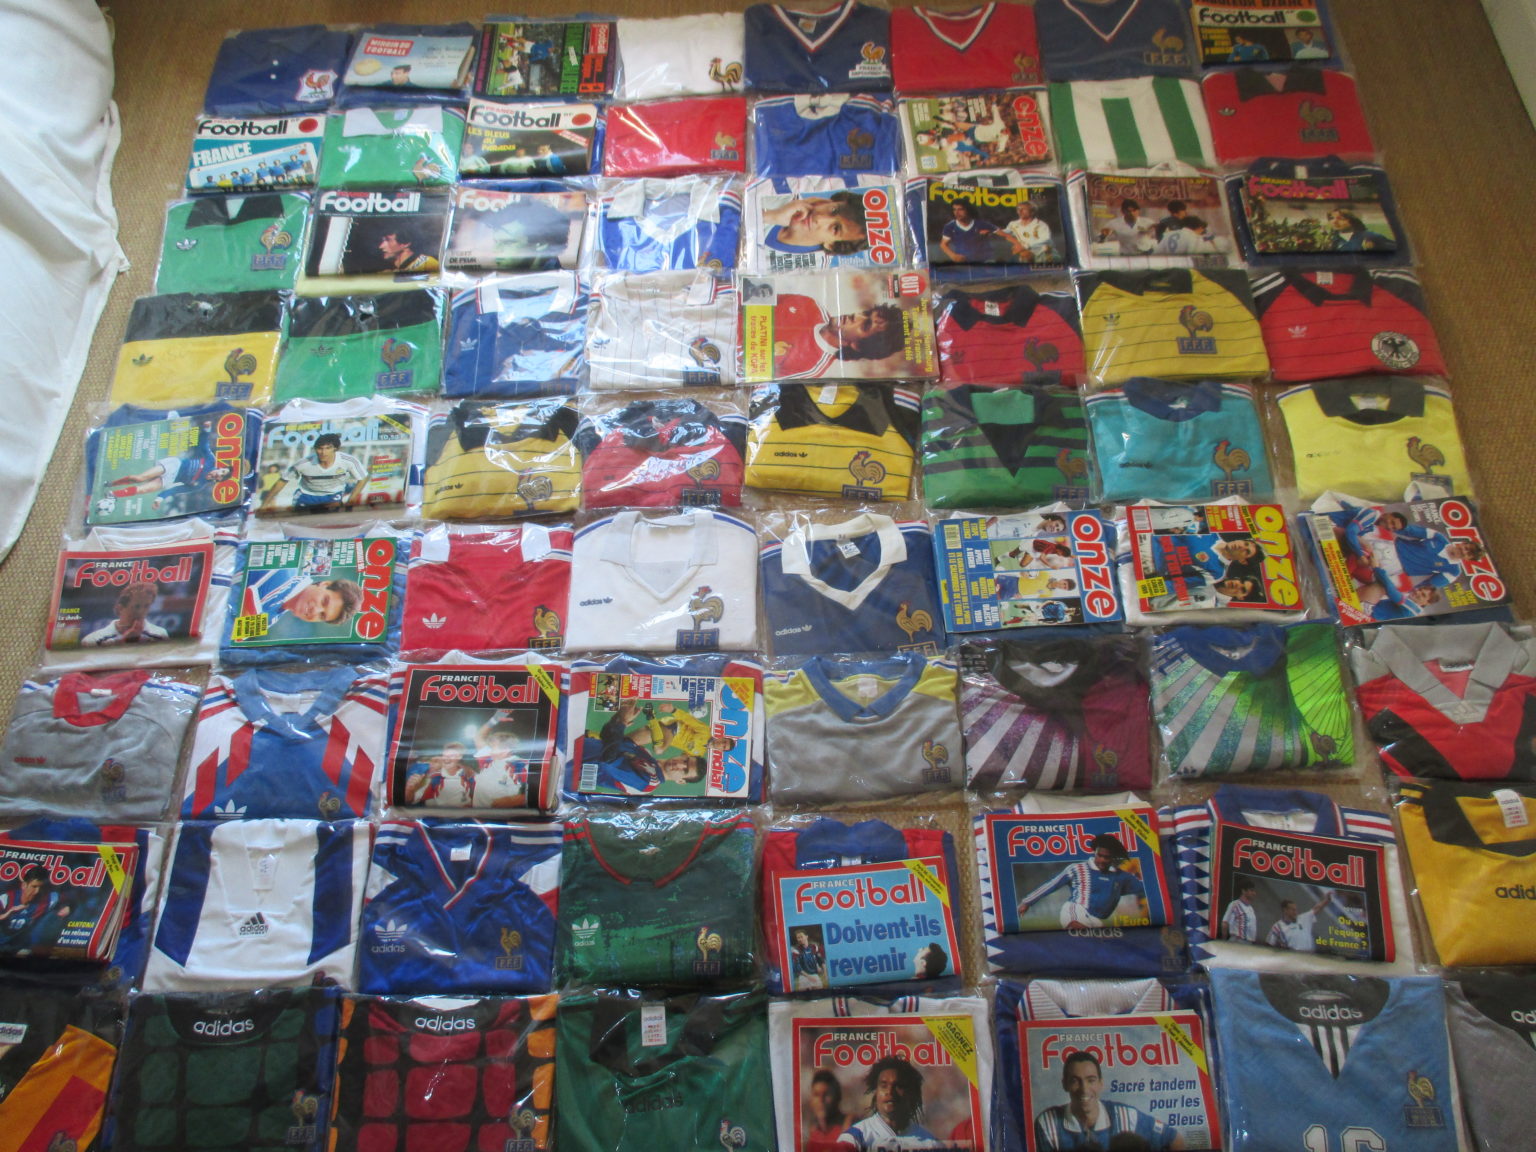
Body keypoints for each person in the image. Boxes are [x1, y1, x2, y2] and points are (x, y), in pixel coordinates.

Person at [1033, 1051, 1183, 1151]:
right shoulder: (1048, 1123)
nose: (1084, 1089)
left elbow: (1175, 1139)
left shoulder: (1126, 1116)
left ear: (1101, 1083)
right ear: (1065, 1084)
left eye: (1091, 1080)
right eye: (1075, 1081)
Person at [1016, 833, 1146, 929]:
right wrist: (1027, 902)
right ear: (1095, 853)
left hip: (1097, 921)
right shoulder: (1077, 869)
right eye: (1099, 855)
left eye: (1106, 857)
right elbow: (1052, 885)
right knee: (1078, 929)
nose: (1102, 860)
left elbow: (1147, 887)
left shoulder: (1120, 877)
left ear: (1112, 858)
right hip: (1075, 911)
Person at [769, 292, 908, 378]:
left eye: (865, 325)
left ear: (857, 345)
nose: (856, 316)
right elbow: (757, 295)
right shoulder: (810, 304)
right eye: (866, 313)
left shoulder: (809, 368)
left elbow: (759, 385)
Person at [838, 1057, 939, 1150]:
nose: (890, 1091)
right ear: (876, 1092)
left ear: (911, 1093)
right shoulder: (855, 1138)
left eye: (898, 1086)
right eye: (884, 1086)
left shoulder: (930, 1142)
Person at [263, 432, 368, 513]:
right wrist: (264, 504)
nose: (323, 452)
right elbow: (282, 481)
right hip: (306, 495)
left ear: (335, 449)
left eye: (328, 448)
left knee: (329, 523)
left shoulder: (348, 461)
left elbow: (363, 478)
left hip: (332, 495)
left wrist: (351, 501)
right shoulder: (303, 464)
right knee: (300, 524)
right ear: (315, 449)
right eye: (320, 448)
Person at [239, 568, 364, 632]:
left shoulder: (274, 618)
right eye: (324, 601)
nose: (315, 611)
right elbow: (239, 607)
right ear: (325, 584)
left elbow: (235, 635)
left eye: (322, 615)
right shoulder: (284, 575)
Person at [761, 191, 870, 256]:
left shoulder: (813, 269)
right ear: (825, 201)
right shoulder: (782, 195)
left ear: (831, 245)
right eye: (833, 210)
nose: (819, 218)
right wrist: (771, 216)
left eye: (835, 228)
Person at [0, 865, 72, 951]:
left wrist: (69, 907)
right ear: (24, 885)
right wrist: (8, 914)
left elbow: (72, 901)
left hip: (20, 946)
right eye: (34, 886)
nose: (37, 891)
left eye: (41, 887)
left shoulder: (49, 899)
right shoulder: (6, 898)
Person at [82, 580, 170, 646]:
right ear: (120, 608)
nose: (141, 612)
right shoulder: (93, 640)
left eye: (146, 606)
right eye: (136, 606)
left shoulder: (160, 634)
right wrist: (124, 642)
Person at [406, 742, 478, 806]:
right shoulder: (435, 778)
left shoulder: (469, 776)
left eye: (451, 755)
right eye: (445, 755)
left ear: (459, 757)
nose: (446, 758)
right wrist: (410, 789)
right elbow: (410, 800)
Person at [1265, 892, 1332, 951]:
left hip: (1309, 956)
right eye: (1293, 910)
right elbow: (1270, 944)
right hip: (1292, 957)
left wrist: (1327, 900)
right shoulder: (1277, 926)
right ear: (1285, 910)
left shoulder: (1303, 918)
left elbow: (1317, 908)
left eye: (1296, 910)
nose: (1295, 912)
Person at [807, 1069, 848, 1152]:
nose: (821, 1100)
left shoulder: (850, 1126)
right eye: (816, 1095)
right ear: (811, 1100)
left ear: (837, 1097)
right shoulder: (813, 1134)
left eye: (826, 1094)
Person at [1327, 209, 1393, 253]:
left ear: (1352, 221)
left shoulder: (1370, 236)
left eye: (1341, 219)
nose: (1334, 222)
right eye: (1331, 218)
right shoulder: (1331, 240)